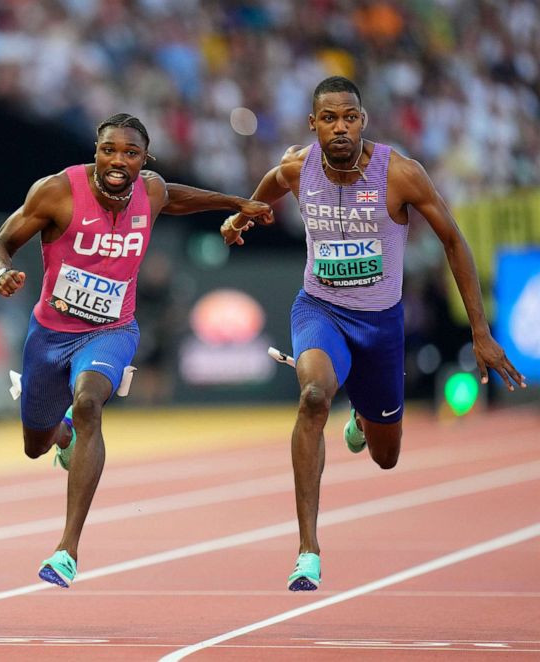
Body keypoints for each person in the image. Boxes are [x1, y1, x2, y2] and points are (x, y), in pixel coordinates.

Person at [220, 76, 527, 591]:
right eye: (330, 118)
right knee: (314, 397)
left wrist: (481, 331)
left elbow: (453, 241)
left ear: (363, 120)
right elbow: (274, 179)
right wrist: (246, 211)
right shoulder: (300, 166)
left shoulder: (400, 174)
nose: (341, 127)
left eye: (350, 117)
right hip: (319, 309)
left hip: (380, 324)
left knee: (387, 457)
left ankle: (364, 418)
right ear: (313, 124)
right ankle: (308, 551)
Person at [0, 113, 273, 588]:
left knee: (89, 401)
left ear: (145, 158)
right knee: (35, 444)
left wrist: (237, 202)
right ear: (95, 150)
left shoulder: (151, 190)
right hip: (50, 334)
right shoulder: (56, 191)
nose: (118, 160)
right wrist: (0, 273)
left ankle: (66, 550)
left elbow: (177, 197)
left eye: (130, 153)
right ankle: (62, 437)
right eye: (109, 150)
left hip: (112, 330)